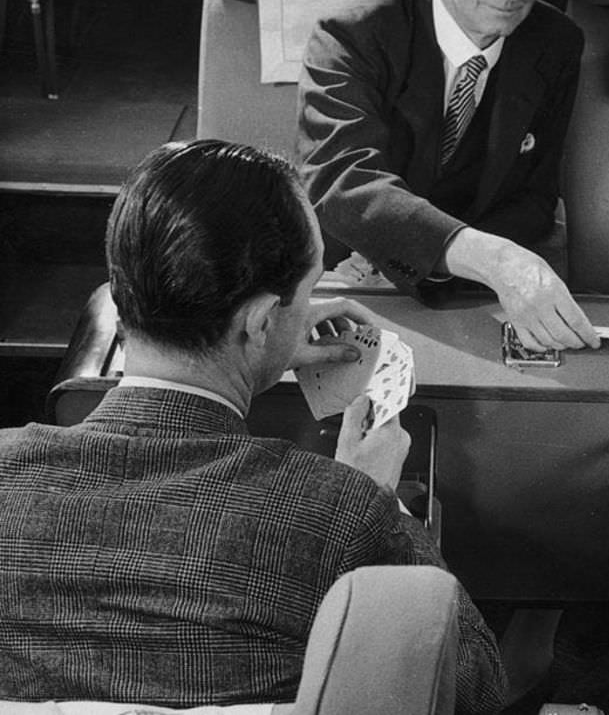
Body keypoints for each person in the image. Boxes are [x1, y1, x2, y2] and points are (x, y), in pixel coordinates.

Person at [0, 140, 506, 714]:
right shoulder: (340, 510)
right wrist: (381, 500)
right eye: (311, 289)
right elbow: (476, 688)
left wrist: (263, 340)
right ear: (262, 317)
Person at [298, 0, 598, 352]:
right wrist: (488, 257)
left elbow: (535, 198)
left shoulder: (557, 44)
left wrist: (444, 270)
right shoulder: (350, 36)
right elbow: (342, 185)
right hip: (345, 293)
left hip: (471, 297)